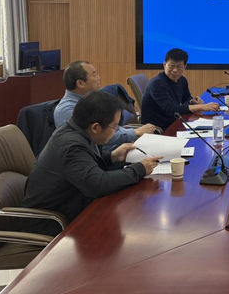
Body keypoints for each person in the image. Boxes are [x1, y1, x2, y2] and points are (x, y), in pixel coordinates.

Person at [22, 91, 162, 235]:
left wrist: (112, 157)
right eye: (114, 127)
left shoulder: (78, 131)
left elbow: (85, 167)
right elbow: (99, 184)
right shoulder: (71, 145)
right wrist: (140, 168)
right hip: (50, 221)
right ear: (95, 127)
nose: (115, 132)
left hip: (72, 205)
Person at [54, 61, 157, 151]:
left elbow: (110, 128)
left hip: (113, 149)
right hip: (102, 154)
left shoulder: (91, 100)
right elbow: (100, 135)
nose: (98, 78)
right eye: (94, 75)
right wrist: (135, 132)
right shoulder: (67, 110)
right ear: (80, 83)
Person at [141, 48, 219, 130]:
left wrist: (192, 101)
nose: (175, 70)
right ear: (164, 64)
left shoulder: (182, 80)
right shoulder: (157, 84)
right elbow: (171, 110)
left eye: (179, 67)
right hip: (157, 128)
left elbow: (186, 98)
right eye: (171, 66)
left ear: (185, 66)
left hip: (174, 122)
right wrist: (201, 107)